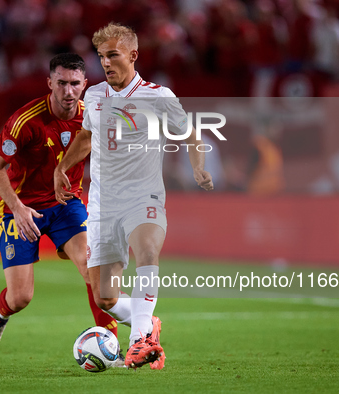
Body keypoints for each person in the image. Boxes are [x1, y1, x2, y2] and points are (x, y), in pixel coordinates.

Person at [54, 23, 214, 370]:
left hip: (143, 196)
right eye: (101, 56)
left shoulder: (158, 96)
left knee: (147, 251)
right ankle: (149, 324)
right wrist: (62, 167)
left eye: (112, 55)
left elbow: (191, 135)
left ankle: (139, 340)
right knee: (106, 297)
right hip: (101, 205)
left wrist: (198, 168)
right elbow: (85, 138)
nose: (106, 63)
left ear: (133, 55)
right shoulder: (94, 96)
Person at [0, 53, 118, 355]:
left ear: (85, 84)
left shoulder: (92, 116)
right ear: (50, 83)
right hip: (23, 208)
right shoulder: (25, 122)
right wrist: (16, 207)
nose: (69, 91)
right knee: (21, 298)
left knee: (91, 267)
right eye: (62, 83)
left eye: (75, 84)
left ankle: (111, 346)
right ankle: (0, 314)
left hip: (67, 204)